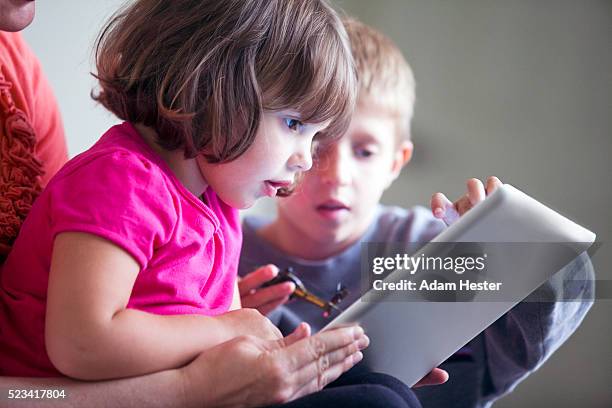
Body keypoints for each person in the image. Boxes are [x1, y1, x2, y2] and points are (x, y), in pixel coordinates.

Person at [238, 17, 595, 408]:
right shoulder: (227, 250)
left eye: (365, 151)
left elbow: (524, 348)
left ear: (396, 162)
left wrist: (509, 252)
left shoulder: (439, 248)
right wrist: (222, 318)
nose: (337, 176)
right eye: (318, 144)